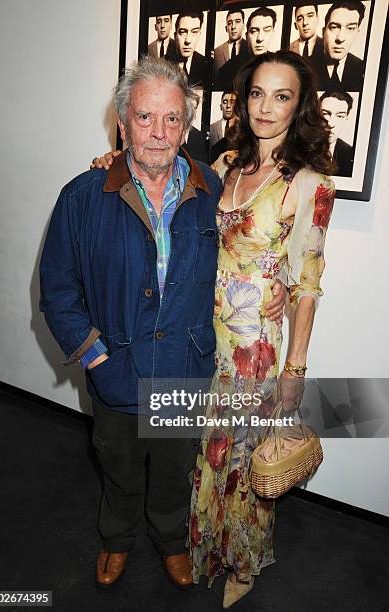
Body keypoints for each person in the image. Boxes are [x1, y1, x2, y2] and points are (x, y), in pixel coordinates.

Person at [41, 56, 286, 593]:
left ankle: (171, 541)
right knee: (120, 469)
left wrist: (277, 288)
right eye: (145, 118)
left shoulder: (212, 193)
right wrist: (93, 355)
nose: (159, 132)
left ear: (186, 125)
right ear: (123, 123)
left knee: (175, 472)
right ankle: (117, 538)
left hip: (183, 368)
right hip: (117, 372)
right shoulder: (84, 196)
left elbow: (251, 252)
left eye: (172, 119)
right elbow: (58, 288)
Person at [189, 51, 336, 608]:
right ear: (242, 98)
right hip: (202, 332)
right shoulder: (225, 164)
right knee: (206, 448)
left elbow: (307, 283)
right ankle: (205, 544)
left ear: (299, 108)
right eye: (257, 93)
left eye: (282, 96)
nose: (266, 107)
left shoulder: (310, 184)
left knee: (245, 454)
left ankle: (243, 560)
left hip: (254, 346)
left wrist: (296, 368)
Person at [216, 7, 277, 91]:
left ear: (273, 33)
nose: (260, 38)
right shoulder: (227, 70)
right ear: (246, 35)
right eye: (254, 31)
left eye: (266, 30)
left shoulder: (281, 66)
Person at [309, 1, 365, 91]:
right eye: (334, 27)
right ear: (323, 32)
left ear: (357, 33)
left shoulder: (362, 67)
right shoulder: (304, 66)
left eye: (350, 28)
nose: (340, 38)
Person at [166, 11, 209, 88]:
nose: (188, 40)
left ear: (199, 35)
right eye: (183, 32)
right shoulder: (162, 63)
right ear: (175, 36)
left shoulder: (207, 65)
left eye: (194, 32)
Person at [320, 90, 354, 176]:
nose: (331, 124)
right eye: (325, 114)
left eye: (340, 116)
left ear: (346, 119)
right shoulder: (299, 150)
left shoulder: (351, 154)